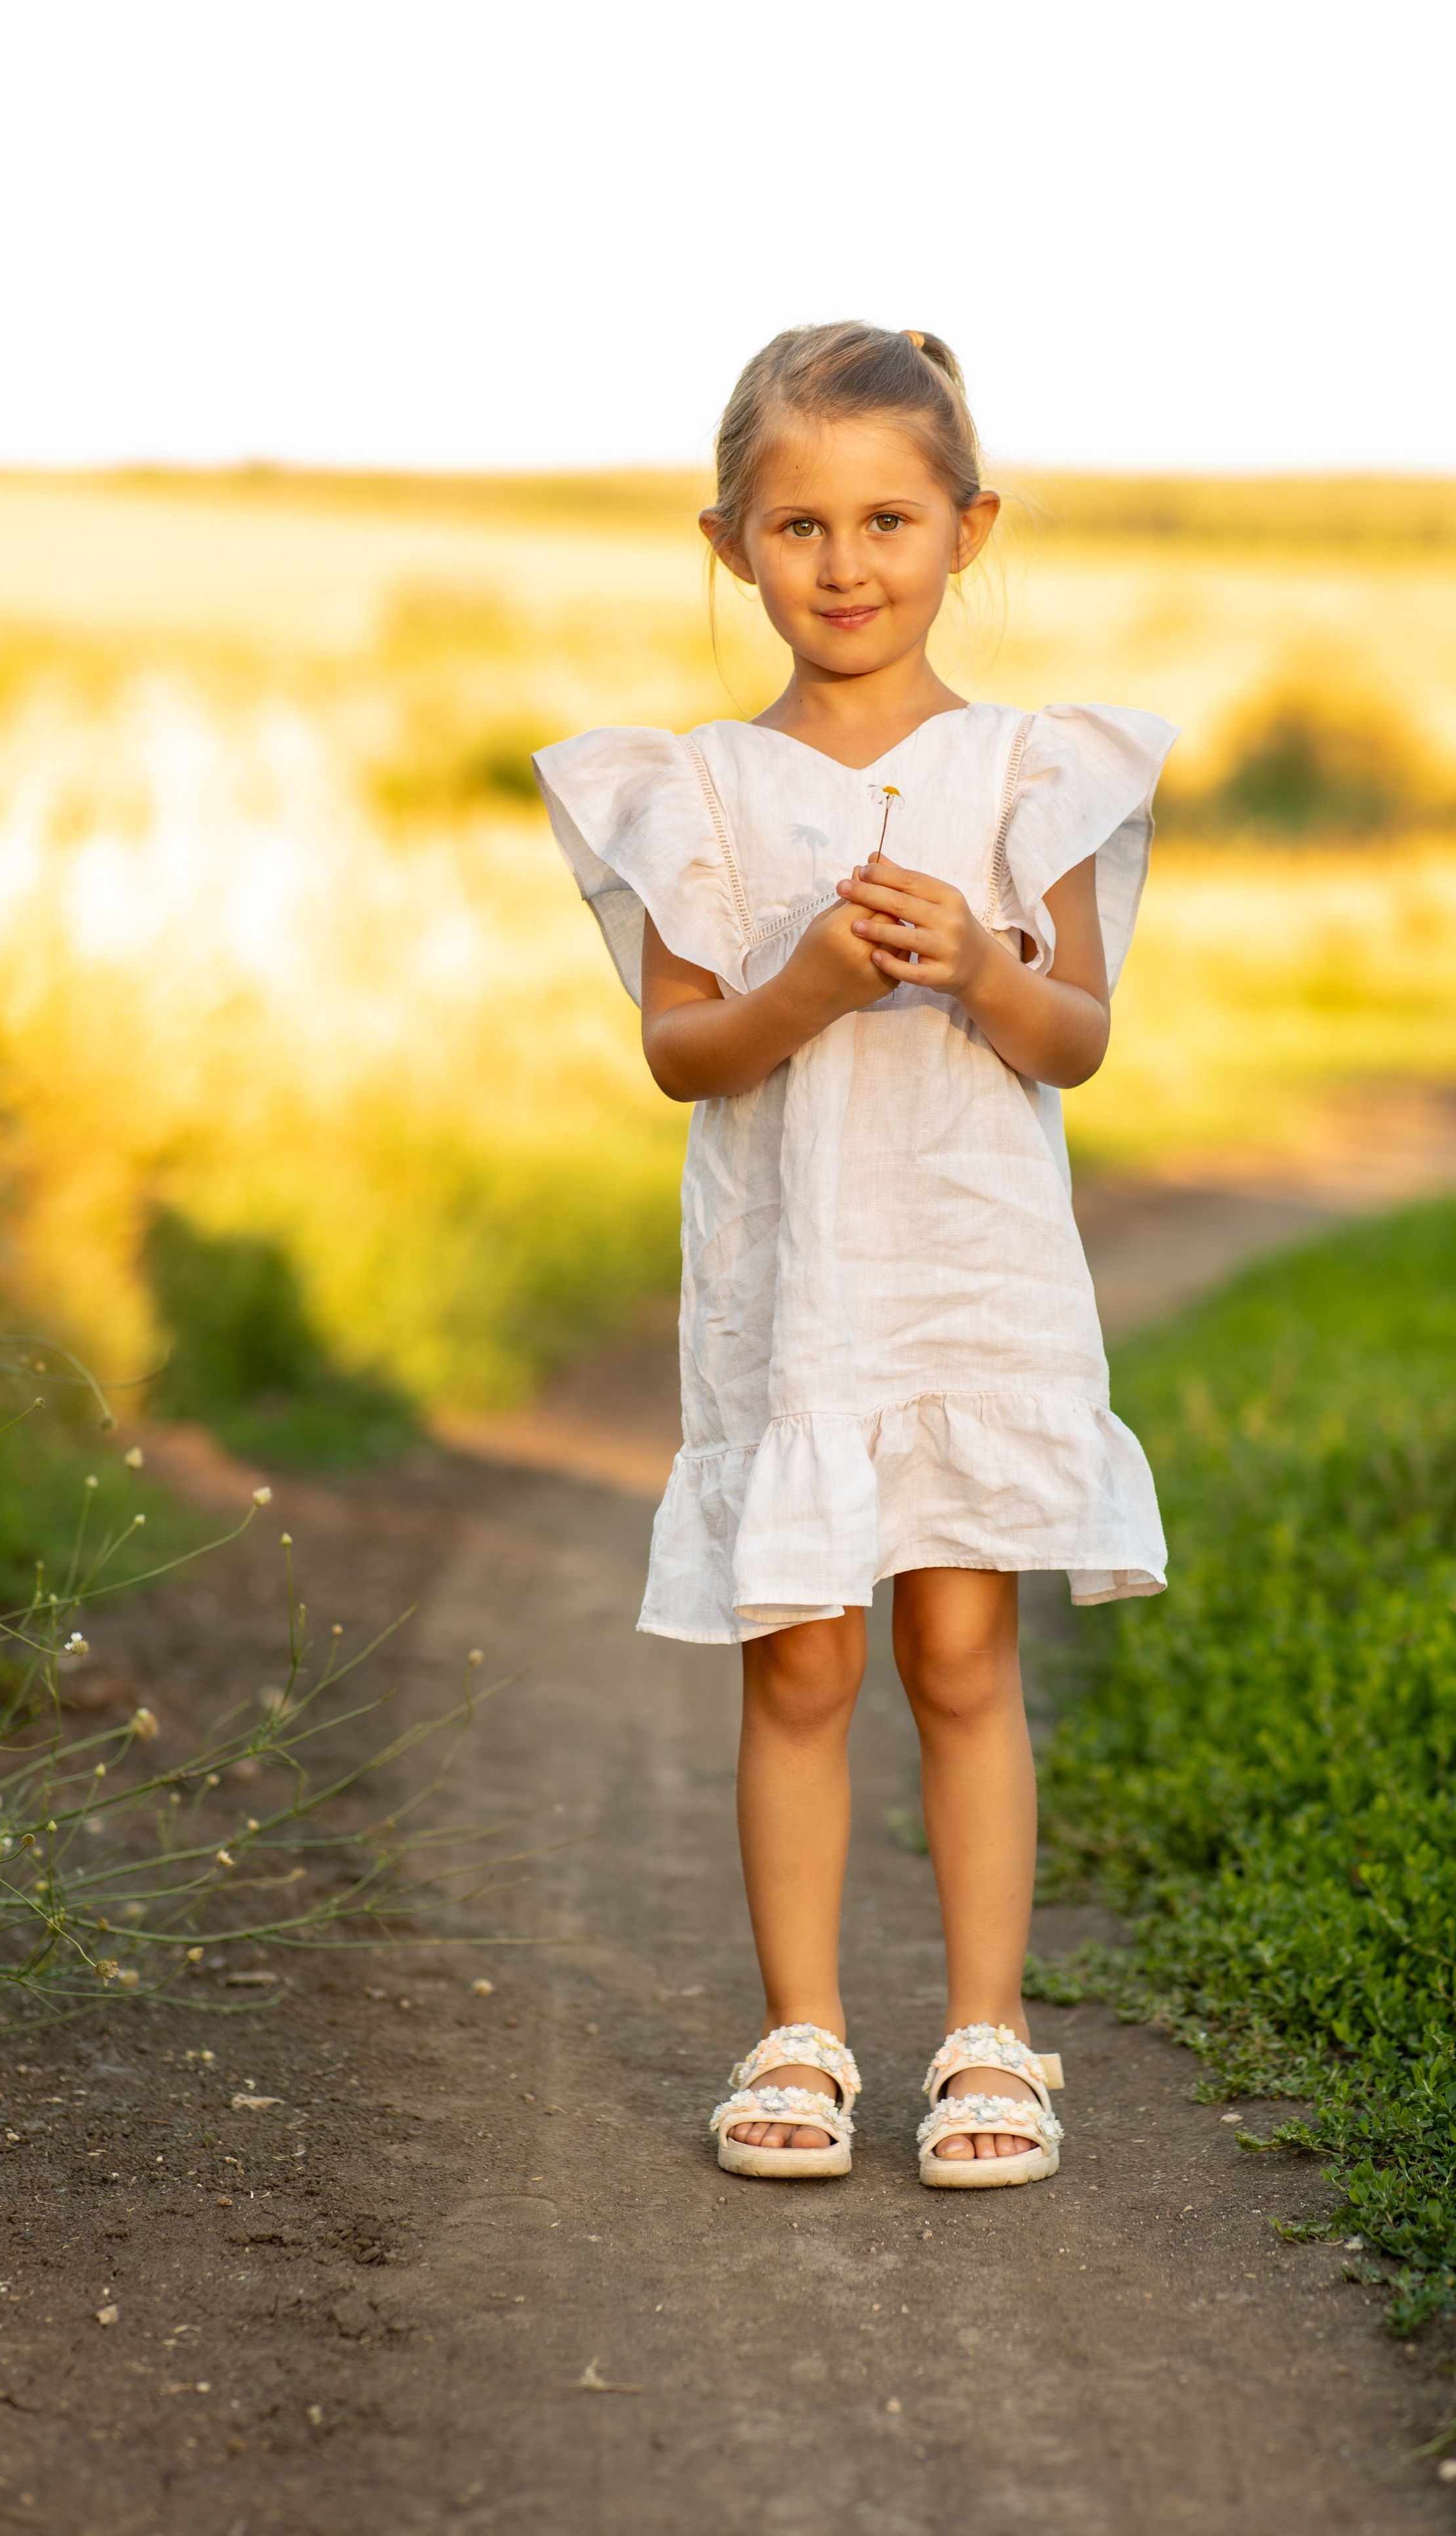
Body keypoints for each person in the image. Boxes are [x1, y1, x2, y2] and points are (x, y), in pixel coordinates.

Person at [534, 322, 1175, 2189]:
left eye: (888, 517)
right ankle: (800, 2032)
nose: (846, 563)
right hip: (795, 1296)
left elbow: (1077, 1037)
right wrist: (809, 980)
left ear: (969, 529)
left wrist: (981, 963)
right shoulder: (701, 794)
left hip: (966, 1278)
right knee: (800, 1663)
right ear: (731, 542)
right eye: (798, 525)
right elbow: (682, 1055)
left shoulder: (1032, 773)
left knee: (966, 1656)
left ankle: (993, 2037)